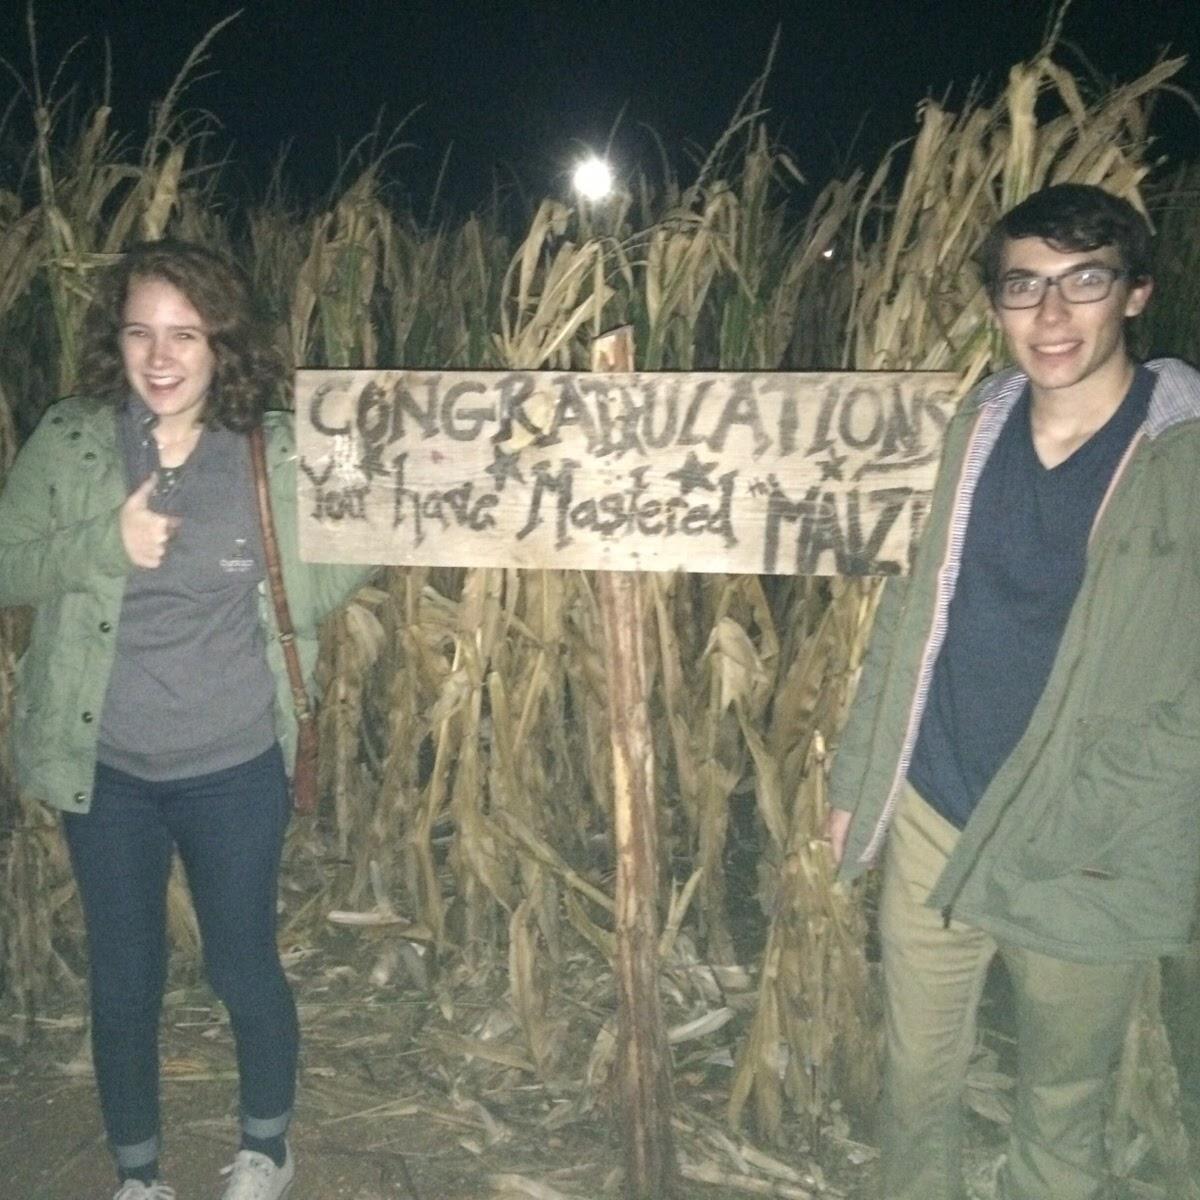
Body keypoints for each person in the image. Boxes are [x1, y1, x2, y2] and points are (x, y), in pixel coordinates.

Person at [826, 183, 1200, 1200]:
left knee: (1062, 1104)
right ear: (995, 303)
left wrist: (1123, 798)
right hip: (938, 809)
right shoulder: (976, 429)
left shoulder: (1184, 459)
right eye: (1022, 287)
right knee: (915, 1088)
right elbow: (914, 616)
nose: (1049, 318)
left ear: (1135, 293)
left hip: (1088, 837)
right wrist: (862, 776)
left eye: (1083, 283)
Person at [0, 240, 370, 1200]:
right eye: (139, 333)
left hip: (234, 764)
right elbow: (8, 564)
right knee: (124, 977)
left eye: (184, 334)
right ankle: (138, 1176)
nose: (160, 357)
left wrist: (379, 518)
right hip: (105, 768)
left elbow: (316, 587)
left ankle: (265, 1146)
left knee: (241, 960)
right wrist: (103, 543)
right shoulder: (75, 438)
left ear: (221, 343)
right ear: (116, 340)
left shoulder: (270, 446)